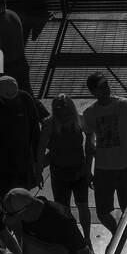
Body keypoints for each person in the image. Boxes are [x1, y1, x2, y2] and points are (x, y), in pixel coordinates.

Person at [81, 71, 127, 238]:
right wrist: (87, 169)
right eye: (100, 87)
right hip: (103, 170)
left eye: (106, 85)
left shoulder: (123, 104)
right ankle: (119, 236)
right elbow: (89, 144)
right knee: (103, 212)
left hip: (126, 167)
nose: (105, 89)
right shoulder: (90, 113)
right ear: (93, 92)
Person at [0, 75, 41, 199]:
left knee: (24, 199)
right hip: (1, 167)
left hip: (24, 163)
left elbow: (35, 130)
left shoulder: (25, 99)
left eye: (14, 98)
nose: (12, 101)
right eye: (8, 99)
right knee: (5, 199)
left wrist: (37, 160)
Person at [38, 94, 89, 233]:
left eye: (66, 112)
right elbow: (41, 150)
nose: (64, 116)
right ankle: (75, 235)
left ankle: (87, 238)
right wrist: (38, 171)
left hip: (79, 171)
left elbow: (90, 139)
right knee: (63, 210)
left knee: (83, 206)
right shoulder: (49, 124)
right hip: (59, 173)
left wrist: (89, 167)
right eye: (60, 113)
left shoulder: (79, 119)